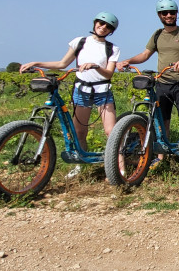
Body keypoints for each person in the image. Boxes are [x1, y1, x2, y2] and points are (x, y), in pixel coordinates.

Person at [20, 11, 121, 179]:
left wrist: (95, 66)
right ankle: (79, 165)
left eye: (108, 26)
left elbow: (109, 74)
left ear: (111, 31)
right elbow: (62, 64)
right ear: (95, 23)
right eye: (100, 23)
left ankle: (119, 167)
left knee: (111, 131)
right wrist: (37, 63)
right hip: (82, 90)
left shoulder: (112, 48)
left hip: (102, 91)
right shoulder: (80, 42)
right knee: (79, 131)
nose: (103, 27)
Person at [117, 0, 179, 172]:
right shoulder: (157, 35)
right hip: (162, 83)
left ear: (177, 14)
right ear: (159, 15)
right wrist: (128, 60)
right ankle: (161, 158)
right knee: (163, 121)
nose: (168, 15)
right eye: (164, 13)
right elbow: (145, 54)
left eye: (171, 12)